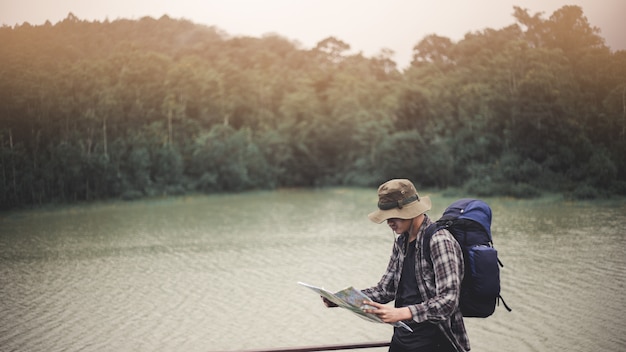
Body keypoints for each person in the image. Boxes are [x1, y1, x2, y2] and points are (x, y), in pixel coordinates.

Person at [325, 179, 469, 352]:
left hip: (436, 343)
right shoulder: (402, 242)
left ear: (411, 211)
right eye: (386, 218)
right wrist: (342, 299)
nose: (389, 223)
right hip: (403, 339)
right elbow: (385, 290)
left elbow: (448, 300)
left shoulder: (439, 241)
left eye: (393, 216)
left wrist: (403, 313)